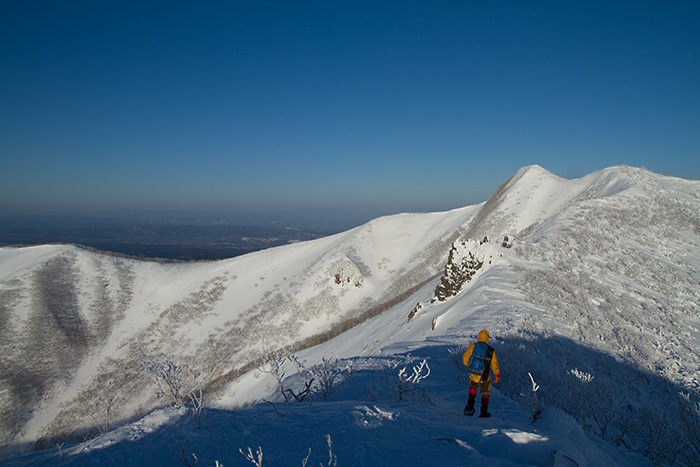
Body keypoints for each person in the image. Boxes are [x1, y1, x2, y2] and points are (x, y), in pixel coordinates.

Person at [462, 329, 500, 417]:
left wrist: (466, 363)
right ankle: (484, 411)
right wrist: (497, 374)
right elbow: (494, 363)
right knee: (485, 392)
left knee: (473, 388)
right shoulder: (490, 350)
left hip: (473, 372)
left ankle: (469, 407)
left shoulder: (473, 346)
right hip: (485, 374)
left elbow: (466, 356)